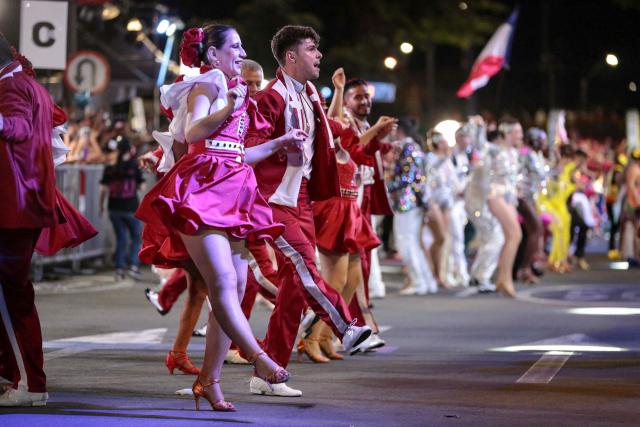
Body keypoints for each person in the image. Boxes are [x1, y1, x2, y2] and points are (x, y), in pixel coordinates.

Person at [136, 23, 307, 411]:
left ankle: (208, 381)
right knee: (224, 282)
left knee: (234, 286)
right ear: (213, 55)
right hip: (201, 187)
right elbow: (197, 131)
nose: (242, 51)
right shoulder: (208, 84)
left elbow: (237, 154)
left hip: (233, 187)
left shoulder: (237, 92)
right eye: (235, 45)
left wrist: (279, 142)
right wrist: (229, 104)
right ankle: (260, 359)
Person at [244, 25, 371, 397]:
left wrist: (362, 137)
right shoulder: (271, 97)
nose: (319, 55)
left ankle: (267, 374)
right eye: (312, 49)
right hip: (274, 200)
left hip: (302, 198)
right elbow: (249, 149)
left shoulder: (311, 91)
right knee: (305, 267)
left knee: (293, 291)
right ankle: (347, 326)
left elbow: (327, 132)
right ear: (291, 57)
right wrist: (281, 143)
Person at [0, 35, 96, 407]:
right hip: (23, 202)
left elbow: (18, 129)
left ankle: (26, 381)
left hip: (14, 206)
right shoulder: (28, 85)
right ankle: (15, 376)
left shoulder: (11, 87)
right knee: (13, 294)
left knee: (13, 296)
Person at [387, 118, 438, 295]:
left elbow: (408, 177)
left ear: (400, 130)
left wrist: (387, 186)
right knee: (413, 242)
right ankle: (426, 280)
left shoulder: (407, 147)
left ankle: (418, 282)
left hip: (406, 201)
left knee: (405, 243)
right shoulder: (415, 147)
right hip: (415, 201)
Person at [100, 136, 144, 280]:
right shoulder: (134, 166)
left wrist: (101, 206)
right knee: (136, 237)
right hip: (131, 207)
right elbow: (142, 186)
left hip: (114, 208)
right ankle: (133, 265)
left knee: (121, 238)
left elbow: (103, 189)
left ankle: (119, 268)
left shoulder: (110, 168)